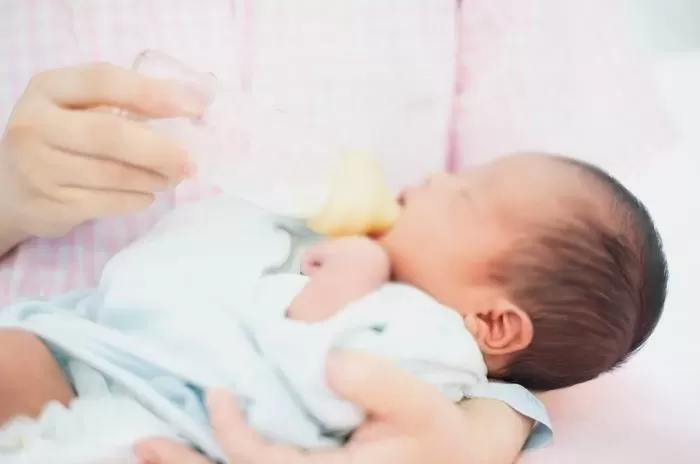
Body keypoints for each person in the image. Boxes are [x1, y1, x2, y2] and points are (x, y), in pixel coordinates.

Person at [0, 5, 546, 463]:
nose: (438, 175)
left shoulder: (436, 343)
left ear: (495, 323)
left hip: (210, 423)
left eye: (465, 196)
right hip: (110, 360)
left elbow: (317, 352)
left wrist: (480, 436)